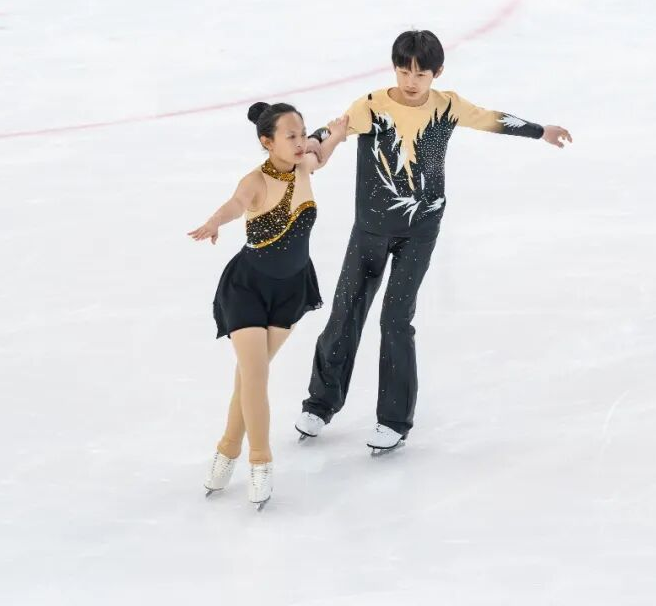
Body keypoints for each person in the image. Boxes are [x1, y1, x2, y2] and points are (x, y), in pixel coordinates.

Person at [294, 29, 573, 454]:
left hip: (420, 232)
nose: (410, 81)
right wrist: (313, 144)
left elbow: (491, 118)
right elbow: (334, 131)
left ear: (436, 73)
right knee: (346, 313)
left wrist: (540, 131)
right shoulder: (372, 105)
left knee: (396, 319)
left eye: (420, 74)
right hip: (370, 229)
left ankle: (393, 421)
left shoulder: (447, 106)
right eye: (404, 71)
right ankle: (320, 403)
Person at [188, 102, 347, 508]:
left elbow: (322, 151)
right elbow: (235, 204)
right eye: (290, 136)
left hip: (291, 290)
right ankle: (260, 461)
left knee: (249, 376)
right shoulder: (255, 181)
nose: (300, 142)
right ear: (267, 141)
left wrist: (336, 134)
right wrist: (214, 221)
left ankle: (227, 447)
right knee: (256, 375)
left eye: (302, 133)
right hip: (248, 288)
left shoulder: (306, 165)